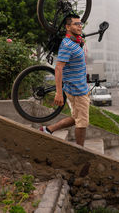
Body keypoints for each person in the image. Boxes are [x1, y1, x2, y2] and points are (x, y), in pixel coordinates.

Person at [40, 13, 90, 146]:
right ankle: (80, 150)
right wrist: (58, 92)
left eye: (80, 24)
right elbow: (58, 68)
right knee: (82, 122)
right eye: (76, 24)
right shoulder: (67, 45)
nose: (80, 26)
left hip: (80, 87)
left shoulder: (75, 41)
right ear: (68, 27)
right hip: (77, 90)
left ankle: (48, 130)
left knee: (76, 118)